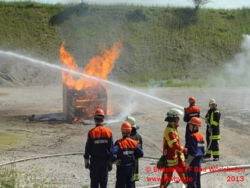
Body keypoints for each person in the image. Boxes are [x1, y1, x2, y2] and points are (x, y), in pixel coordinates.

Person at [84, 108, 113, 188]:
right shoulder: (108, 132)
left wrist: (86, 161)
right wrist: (110, 162)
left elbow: (88, 148)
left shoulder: (91, 132)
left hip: (94, 162)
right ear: (103, 119)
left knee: (94, 184)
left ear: (94, 119)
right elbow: (111, 149)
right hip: (105, 162)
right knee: (104, 184)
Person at [160, 108, 188, 188]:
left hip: (178, 158)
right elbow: (174, 145)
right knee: (166, 180)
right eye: (177, 117)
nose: (179, 119)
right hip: (170, 160)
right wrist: (184, 150)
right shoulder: (169, 130)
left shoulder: (173, 128)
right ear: (173, 118)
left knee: (186, 178)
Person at [113, 121, 143, 188]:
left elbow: (113, 154)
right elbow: (141, 154)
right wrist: (133, 156)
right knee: (131, 184)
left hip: (121, 168)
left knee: (120, 185)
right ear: (130, 131)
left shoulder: (118, 143)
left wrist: (115, 161)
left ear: (121, 131)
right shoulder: (134, 143)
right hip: (131, 168)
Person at [186, 117, 205, 188]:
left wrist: (187, 163)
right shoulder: (200, 136)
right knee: (197, 181)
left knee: (191, 182)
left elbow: (193, 152)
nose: (189, 127)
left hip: (193, 162)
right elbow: (202, 150)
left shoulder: (192, 136)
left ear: (195, 126)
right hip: (198, 161)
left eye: (191, 125)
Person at [126, 116, 143, 181]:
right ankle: (136, 177)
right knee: (136, 166)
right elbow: (141, 148)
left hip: (129, 158)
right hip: (136, 157)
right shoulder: (138, 136)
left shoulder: (129, 138)